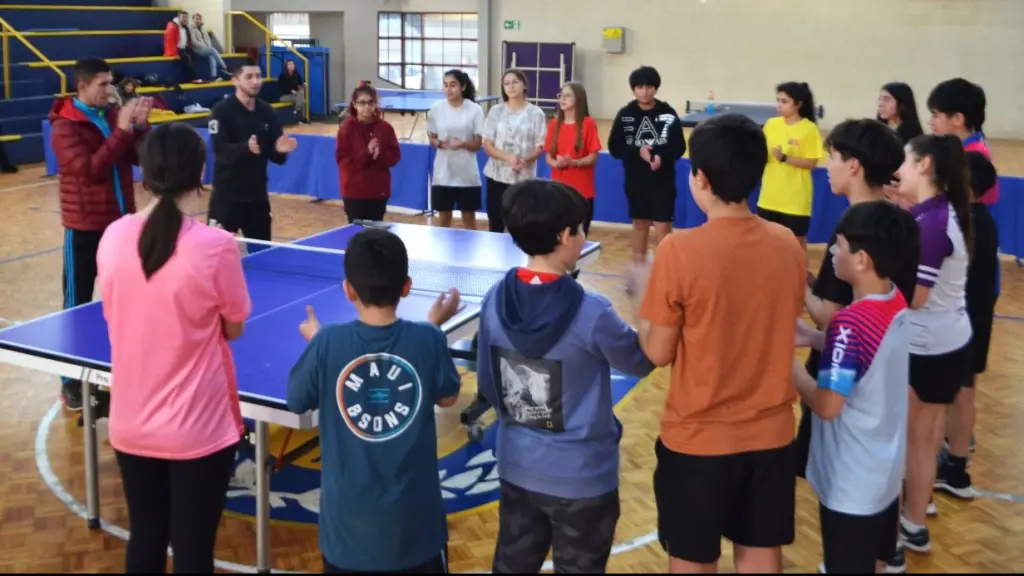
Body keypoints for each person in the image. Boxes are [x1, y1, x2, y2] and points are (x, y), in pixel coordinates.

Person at [637, 113, 806, 574]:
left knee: (693, 561)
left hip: (699, 441)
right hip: (772, 437)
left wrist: (640, 303)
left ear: (701, 179)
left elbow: (657, 352)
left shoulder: (678, 251)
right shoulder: (789, 243)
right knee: (760, 556)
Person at [474, 179, 655, 573]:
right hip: (583, 479)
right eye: (580, 228)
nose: (583, 235)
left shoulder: (493, 300)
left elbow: (488, 386)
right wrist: (644, 301)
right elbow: (643, 360)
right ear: (563, 235)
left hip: (516, 466)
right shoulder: (593, 312)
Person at [95, 122, 249, 573]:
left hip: (130, 423)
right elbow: (233, 329)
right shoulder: (216, 246)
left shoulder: (113, 235)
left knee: (145, 535)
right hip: (198, 429)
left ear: (144, 171)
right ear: (200, 171)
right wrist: (234, 260)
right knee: (193, 547)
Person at [286, 228, 464, 574]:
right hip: (417, 532)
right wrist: (433, 328)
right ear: (407, 286)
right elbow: (448, 396)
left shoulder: (328, 342)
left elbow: (296, 400)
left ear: (348, 289)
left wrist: (316, 343)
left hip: (348, 538)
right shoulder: (427, 338)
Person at [795, 118, 920, 574]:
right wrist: (812, 337)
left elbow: (828, 404)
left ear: (861, 259)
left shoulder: (849, 324)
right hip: (884, 470)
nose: (830, 254)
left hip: (851, 479)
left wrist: (789, 367)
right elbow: (869, 352)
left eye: (837, 248)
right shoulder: (894, 303)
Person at [49, 56, 152, 410]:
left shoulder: (111, 116)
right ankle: (70, 382)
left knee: (122, 304)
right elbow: (90, 170)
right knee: (75, 308)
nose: (110, 91)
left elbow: (139, 158)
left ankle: (115, 371)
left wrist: (139, 127)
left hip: (121, 227)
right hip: (84, 231)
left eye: (110, 83)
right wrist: (123, 131)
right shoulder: (65, 126)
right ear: (82, 87)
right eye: (103, 85)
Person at [896, 134, 974, 555]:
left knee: (904, 439)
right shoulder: (936, 213)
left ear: (924, 165)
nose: (899, 170)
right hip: (949, 341)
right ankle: (914, 525)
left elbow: (915, 298)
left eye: (906, 162)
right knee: (923, 440)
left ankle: (888, 542)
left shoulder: (931, 225)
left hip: (927, 348)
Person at [933, 151, 999, 500]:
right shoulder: (980, 218)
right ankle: (956, 466)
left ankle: (951, 466)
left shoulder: (964, 223)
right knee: (964, 392)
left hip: (963, 323)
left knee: (956, 395)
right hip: (977, 318)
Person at [607, 65, 685, 289]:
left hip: (662, 181)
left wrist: (661, 156)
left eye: (649, 86)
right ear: (633, 90)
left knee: (663, 227)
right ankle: (638, 272)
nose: (644, 91)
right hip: (635, 180)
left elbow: (679, 146)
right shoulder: (626, 114)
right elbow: (614, 147)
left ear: (655, 88)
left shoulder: (668, 113)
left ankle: (664, 277)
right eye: (639, 87)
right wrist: (637, 151)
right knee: (639, 224)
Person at [207, 58, 297, 242]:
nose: (255, 81)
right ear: (235, 80)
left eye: (258, 76)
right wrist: (245, 148)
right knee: (215, 254)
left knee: (262, 255)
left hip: (257, 198)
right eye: (249, 77)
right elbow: (220, 149)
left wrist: (280, 151)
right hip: (226, 198)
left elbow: (277, 158)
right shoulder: (221, 111)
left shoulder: (267, 112)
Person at [755, 81, 823, 251]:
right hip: (769, 197)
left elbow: (811, 163)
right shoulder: (771, 124)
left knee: (796, 242)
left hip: (795, 199)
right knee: (766, 241)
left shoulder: (809, 129)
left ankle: (801, 276)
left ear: (798, 104)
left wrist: (785, 158)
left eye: (784, 101)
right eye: (778, 100)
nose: (779, 105)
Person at [481, 68, 547, 233]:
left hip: (524, 178)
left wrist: (524, 160)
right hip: (497, 176)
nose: (511, 86)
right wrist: (508, 158)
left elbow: (540, 146)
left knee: (523, 225)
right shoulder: (496, 111)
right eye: (506, 83)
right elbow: (487, 145)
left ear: (524, 85)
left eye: (515, 82)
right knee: (496, 223)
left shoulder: (536, 113)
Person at [427, 68, 485, 230]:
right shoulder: (436, 109)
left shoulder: (475, 110)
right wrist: (438, 143)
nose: (448, 89)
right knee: (443, 217)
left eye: (453, 85)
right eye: (445, 85)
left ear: (463, 87)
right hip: (443, 172)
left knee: (469, 217)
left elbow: (477, 144)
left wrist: (462, 144)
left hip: (467, 173)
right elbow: (432, 137)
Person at [335, 82, 401, 223]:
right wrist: (366, 153)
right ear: (354, 104)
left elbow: (395, 155)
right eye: (362, 103)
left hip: (378, 191)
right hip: (354, 191)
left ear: (375, 104)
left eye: (370, 102)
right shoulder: (346, 129)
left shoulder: (385, 128)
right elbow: (343, 160)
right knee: (357, 236)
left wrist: (380, 155)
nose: (366, 107)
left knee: (376, 234)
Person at [545, 81, 601, 236]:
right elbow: (548, 158)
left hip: (582, 191)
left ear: (579, 99)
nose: (562, 99)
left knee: (579, 236)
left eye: (568, 96)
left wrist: (575, 162)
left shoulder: (588, 124)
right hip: (558, 191)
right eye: (561, 95)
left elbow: (593, 156)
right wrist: (557, 164)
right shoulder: (554, 124)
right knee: (559, 236)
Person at [162, 10, 203, 83]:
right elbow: (169, 41)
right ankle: (194, 78)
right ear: (178, 17)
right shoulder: (172, 26)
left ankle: (189, 77)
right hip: (175, 49)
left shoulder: (185, 27)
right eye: (183, 17)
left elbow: (187, 40)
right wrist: (174, 54)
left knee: (196, 55)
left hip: (184, 48)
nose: (185, 19)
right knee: (185, 57)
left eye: (186, 17)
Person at [189, 13, 231, 80]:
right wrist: (205, 46)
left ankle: (213, 77)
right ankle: (224, 67)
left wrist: (208, 46)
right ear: (193, 20)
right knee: (212, 50)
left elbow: (207, 39)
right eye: (196, 19)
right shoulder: (191, 29)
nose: (198, 20)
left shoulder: (203, 28)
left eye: (199, 19)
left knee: (212, 56)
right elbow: (194, 42)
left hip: (205, 49)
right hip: (197, 49)